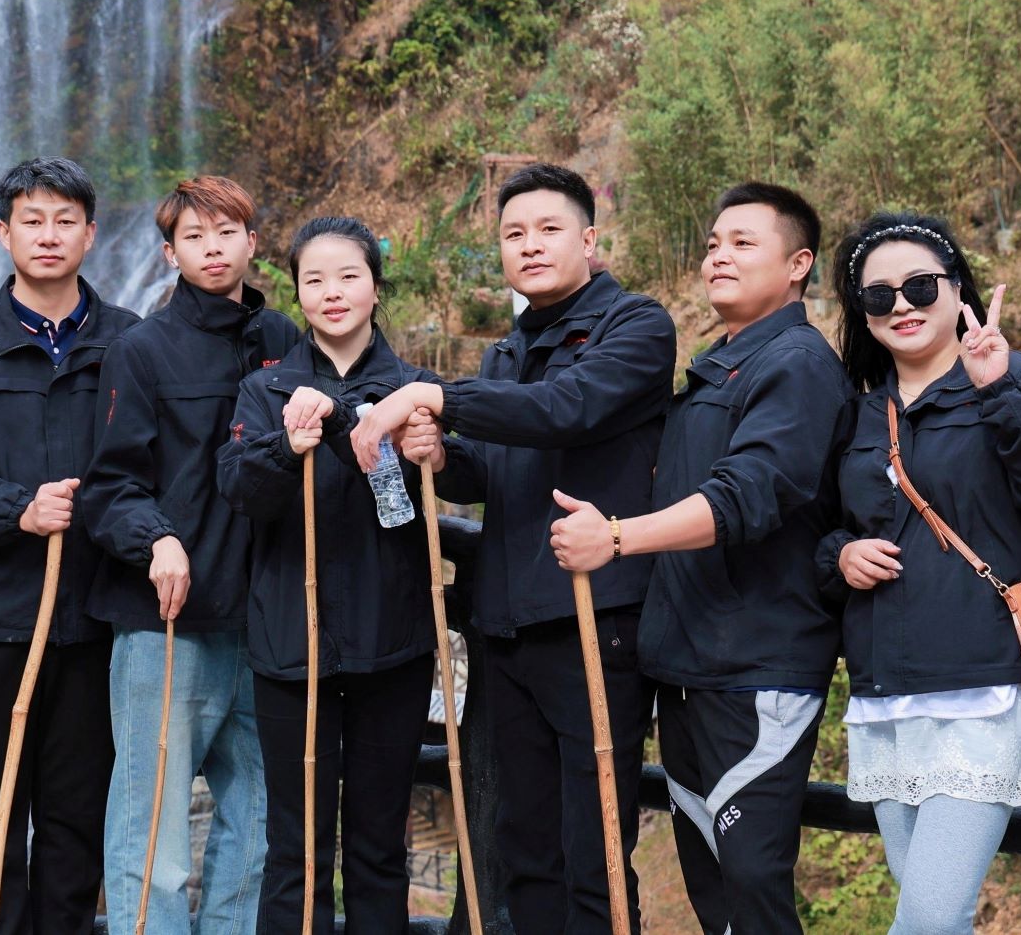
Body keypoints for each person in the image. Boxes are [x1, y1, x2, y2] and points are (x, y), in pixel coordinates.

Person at [358, 161, 675, 934]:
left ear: (589, 240)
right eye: (513, 233)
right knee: (524, 847)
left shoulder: (635, 325)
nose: (529, 245)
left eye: (548, 228)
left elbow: (566, 409)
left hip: (593, 620)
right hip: (506, 627)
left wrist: (436, 395)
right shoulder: (507, 351)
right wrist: (440, 454)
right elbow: (489, 472)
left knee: (596, 848)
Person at [550, 182, 851, 935]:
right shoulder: (720, 364)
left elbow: (748, 493)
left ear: (798, 265)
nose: (719, 255)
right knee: (714, 891)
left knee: (750, 885)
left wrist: (616, 537)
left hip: (756, 669)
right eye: (714, 243)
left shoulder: (797, 364)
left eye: (743, 243)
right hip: (687, 665)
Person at [815, 213, 1021, 935]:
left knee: (930, 920)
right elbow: (824, 529)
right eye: (878, 295)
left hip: (984, 690)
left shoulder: (1016, 379)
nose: (901, 305)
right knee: (930, 916)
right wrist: (842, 555)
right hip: (885, 693)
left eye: (920, 286)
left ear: (957, 286)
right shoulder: (860, 412)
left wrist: (998, 389)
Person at [0, 158, 141, 935]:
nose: (49, 235)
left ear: (91, 234)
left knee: (77, 833)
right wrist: (18, 509)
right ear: (3, 232)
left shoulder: (130, 341)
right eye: (32, 220)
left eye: (65, 220)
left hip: (96, 623)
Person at [80, 175, 299, 935]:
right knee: (154, 833)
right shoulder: (140, 350)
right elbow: (109, 486)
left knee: (260, 828)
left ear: (252, 241)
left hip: (267, 622)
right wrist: (157, 537)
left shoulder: (284, 342)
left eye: (227, 232)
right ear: (170, 253)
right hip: (166, 623)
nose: (213, 249)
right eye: (195, 237)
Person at [218, 216, 437, 935]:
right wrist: (287, 446)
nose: (332, 292)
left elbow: (445, 487)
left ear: (376, 285)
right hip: (292, 646)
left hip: (393, 646)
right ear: (297, 293)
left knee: (378, 846)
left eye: (348, 275)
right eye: (314, 279)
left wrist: (414, 441)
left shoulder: (415, 389)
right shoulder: (266, 390)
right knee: (296, 847)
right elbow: (239, 491)